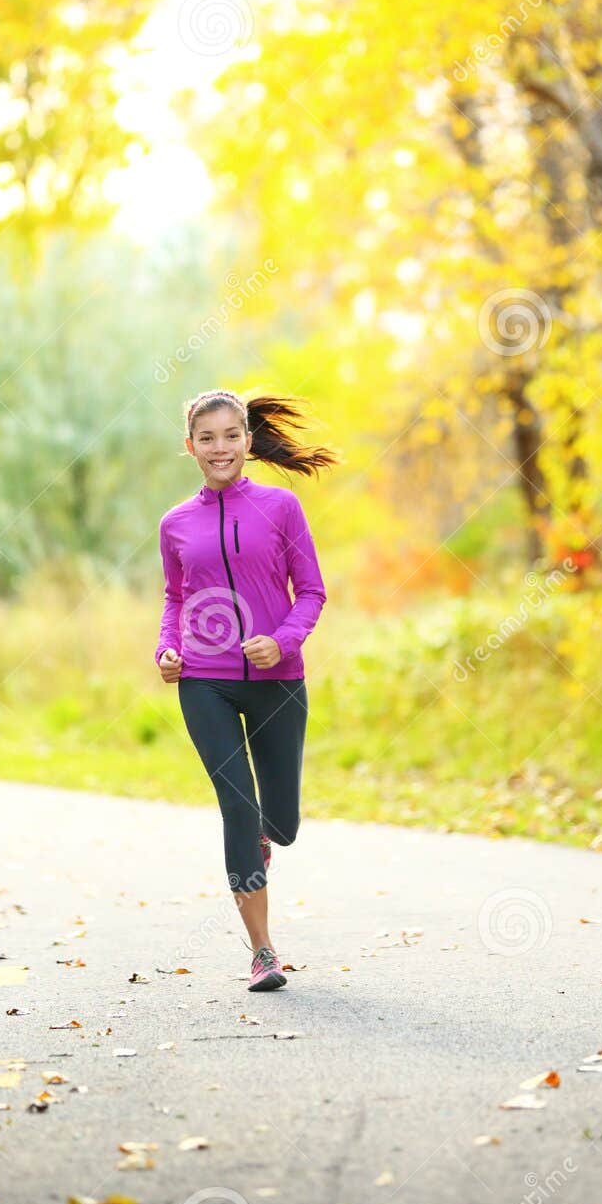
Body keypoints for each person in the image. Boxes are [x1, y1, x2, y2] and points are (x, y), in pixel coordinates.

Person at [155, 389, 337, 991]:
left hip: (277, 682)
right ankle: (262, 952)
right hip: (204, 681)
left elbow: (311, 591)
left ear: (248, 441)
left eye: (230, 435)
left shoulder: (281, 508)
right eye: (206, 438)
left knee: (278, 822)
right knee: (237, 804)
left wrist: (282, 641)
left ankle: (267, 832)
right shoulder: (175, 523)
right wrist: (167, 648)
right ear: (190, 448)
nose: (220, 448)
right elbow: (176, 597)